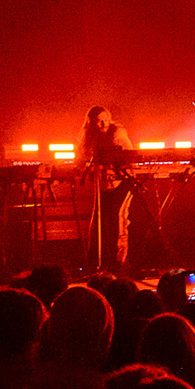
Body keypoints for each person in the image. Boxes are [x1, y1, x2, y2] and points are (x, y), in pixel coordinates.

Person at [80, 106, 136, 274]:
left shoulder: (117, 132)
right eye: (99, 120)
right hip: (104, 184)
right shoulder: (90, 136)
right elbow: (83, 157)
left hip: (122, 181)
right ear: (91, 122)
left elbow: (126, 155)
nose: (103, 122)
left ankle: (119, 262)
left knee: (119, 219)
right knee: (100, 221)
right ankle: (99, 260)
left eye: (105, 118)